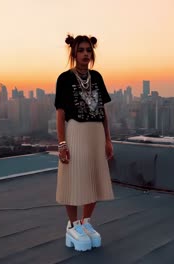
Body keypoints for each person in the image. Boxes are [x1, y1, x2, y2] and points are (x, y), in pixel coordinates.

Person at [54, 34, 114, 251]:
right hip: (76, 132)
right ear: (74, 53)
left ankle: (85, 222)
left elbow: (103, 111)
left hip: (96, 133)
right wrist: (62, 143)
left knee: (94, 178)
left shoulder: (97, 77)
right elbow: (60, 114)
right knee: (74, 179)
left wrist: (108, 139)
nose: (85, 54)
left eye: (89, 50)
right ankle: (72, 225)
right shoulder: (64, 78)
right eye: (81, 50)